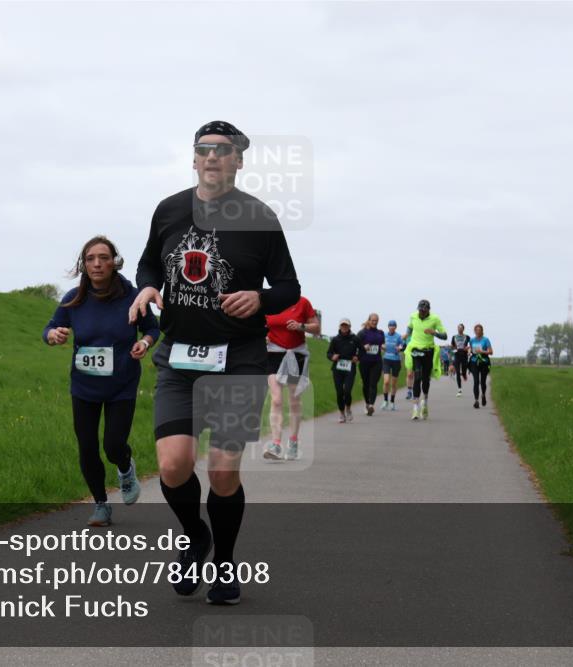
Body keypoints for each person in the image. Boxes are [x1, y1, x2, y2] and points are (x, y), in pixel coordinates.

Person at [129, 120, 300, 605]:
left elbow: (289, 287)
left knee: (224, 472)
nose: (211, 157)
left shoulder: (260, 217)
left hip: (239, 359)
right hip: (179, 360)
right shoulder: (169, 209)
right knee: (174, 465)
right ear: (194, 157)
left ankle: (224, 563)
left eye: (222, 151)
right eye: (203, 149)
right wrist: (147, 286)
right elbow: (147, 263)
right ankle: (194, 535)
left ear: (238, 160)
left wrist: (259, 298)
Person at [43, 236, 160, 527]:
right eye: (91, 258)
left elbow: (152, 329)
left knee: (113, 444)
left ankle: (125, 468)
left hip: (122, 383)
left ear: (114, 262)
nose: (97, 263)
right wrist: (53, 336)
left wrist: (144, 343)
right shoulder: (74, 299)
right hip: (84, 386)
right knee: (87, 446)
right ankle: (100, 505)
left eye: (103, 257)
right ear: (84, 264)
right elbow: (50, 328)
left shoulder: (133, 296)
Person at [264, 296, 320, 461]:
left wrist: (301, 326)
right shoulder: (268, 302)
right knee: (276, 400)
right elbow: (259, 327)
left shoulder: (303, 303)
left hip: (296, 354)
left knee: (294, 401)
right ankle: (275, 444)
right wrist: (264, 336)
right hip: (273, 354)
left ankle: (293, 442)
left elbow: (316, 328)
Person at [403, 299, 447, 420]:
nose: (421, 312)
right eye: (420, 310)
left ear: (428, 310)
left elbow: (445, 336)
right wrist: (406, 335)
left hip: (428, 350)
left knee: (425, 379)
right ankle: (415, 408)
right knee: (417, 377)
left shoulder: (435, 319)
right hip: (415, 349)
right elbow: (410, 327)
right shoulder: (413, 316)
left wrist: (434, 332)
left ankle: (425, 402)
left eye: (424, 310)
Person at [327, 318, 361, 423]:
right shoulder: (335, 339)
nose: (344, 327)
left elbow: (362, 351)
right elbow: (328, 353)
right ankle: (342, 413)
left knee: (347, 391)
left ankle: (348, 408)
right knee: (339, 392)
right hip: (338, 368)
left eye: (346, 326)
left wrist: (357, 357)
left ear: (349, 327)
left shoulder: (355, 338)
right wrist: (332, 357)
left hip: (350, 367)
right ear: (340, 327)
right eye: (342, 325)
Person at [356, 313, 385, 416]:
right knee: (366, 384)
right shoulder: (362, 333)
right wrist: (364, 347)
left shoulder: (380, 333)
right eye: (373, 320)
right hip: (364, 361)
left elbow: (382, 343)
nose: (374, 322)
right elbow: (356, 346)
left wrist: (383, 346)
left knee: (373, 383)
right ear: (368, 320)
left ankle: (371, 405)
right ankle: (367, 404)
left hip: (376, 361)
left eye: (376, 321)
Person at [379, 320, 405, 411]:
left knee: (393, 383)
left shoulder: (398, 336)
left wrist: (400, 348)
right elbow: (381, 344)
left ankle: (392, 402)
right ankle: (385, 401)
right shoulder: (384, 335)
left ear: (395, 327)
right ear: (388, 327)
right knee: (386, 381)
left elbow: (402, 345)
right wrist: (382, 346)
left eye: (393, 326)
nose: (392, 327)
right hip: (386, 359)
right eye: (390, 326)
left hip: (396, 361)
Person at [468, 324, 494, 409]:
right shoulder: (472, 340)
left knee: (483, 382)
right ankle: (476, 401)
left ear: (482, 331)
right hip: (474, 362)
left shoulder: (486, 340)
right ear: (474, 331)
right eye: (476, 330)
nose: (478, 331)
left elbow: (491, 352)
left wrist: (482, 351)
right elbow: (471, 350)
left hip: (484, 362)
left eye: (479, 330)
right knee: (476, 381)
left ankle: (483, 395)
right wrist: (469, 351)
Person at [451, 323, 471, 396]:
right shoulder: (454, 337)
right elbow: (452, 346)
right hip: (457, 355)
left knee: (464, 370)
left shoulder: (467, 337)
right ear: (457, 329)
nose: (459, 329)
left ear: (463, 329)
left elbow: (471, 345)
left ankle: (464, 374)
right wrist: (454, 349)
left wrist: (468, 349)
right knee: (458, 373)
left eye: (461, 328)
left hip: (464, 355)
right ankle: (459, 389)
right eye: (458, 327)